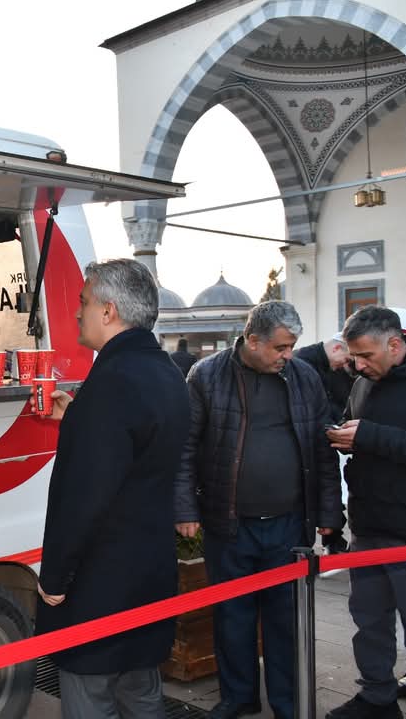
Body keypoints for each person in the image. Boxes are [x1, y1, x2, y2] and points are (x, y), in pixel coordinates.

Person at [35, 258, 190, 719]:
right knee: (141, 695)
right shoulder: (166, 372)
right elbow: (136, 451)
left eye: (84, 302)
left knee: (91, 698)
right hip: (149, 573)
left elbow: (85, 496)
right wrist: (78, 418)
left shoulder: (111, 382)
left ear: (108, 311)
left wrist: (54, 577)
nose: (76, 312)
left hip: (101, 584)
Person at [175, 300, 343, 719]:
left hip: (289, 524)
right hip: (228, 523)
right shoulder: (206, 375)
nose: (289, 355)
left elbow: (322, 449)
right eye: (281, 347)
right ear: (252, 340)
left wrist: (329, 514)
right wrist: (185, 508)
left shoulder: (304, 377)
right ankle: (239, 697)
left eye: (292, 347)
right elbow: (184, 447)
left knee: (285, 620)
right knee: (233, 616)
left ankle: (287, 703)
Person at [325, 306, 406, 719]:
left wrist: (370, 436)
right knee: (369, 623)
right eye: (354, 356)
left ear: (395, 344)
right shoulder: (364, 382)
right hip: (369, 527)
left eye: (366, 356)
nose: (358, 365)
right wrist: (340, 433)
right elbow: (356, 428)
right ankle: (376, 698)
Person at [295, 334, 355, 556]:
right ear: (337, 348)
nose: (346, 365)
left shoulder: (333, 369)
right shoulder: (303, 364)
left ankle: (333, 537)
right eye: (347, 360)